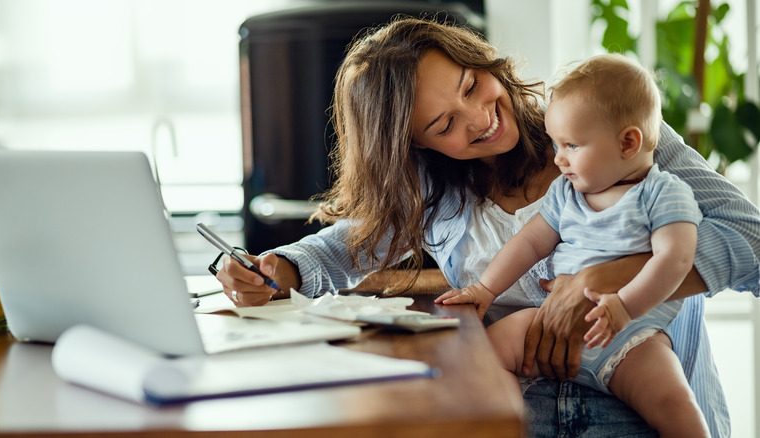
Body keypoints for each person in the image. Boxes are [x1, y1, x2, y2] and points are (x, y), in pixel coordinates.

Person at [215, 17, 760, 437]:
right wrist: (277, 267)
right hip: (518, 414)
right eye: (444, 123)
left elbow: (752, 243)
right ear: (416, 145)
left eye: (472, 85)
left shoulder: (607, 124)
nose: (480, 117)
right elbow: (343, 246)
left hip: (645, 409)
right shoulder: (435, 190)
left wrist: (606, 280)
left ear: (482, 61)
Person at [435, 53, 709, 437]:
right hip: (550, 325)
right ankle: (509, 422)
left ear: (628, 143)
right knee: (481, 355)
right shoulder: (566, 192)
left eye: (571, 146)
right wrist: (484, 289)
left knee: (675, 405)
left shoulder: (663, 194)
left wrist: (624, 306)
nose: (559, 159)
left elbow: (677, 259)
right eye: (555, 144)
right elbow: (529, 242)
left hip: (632, 337)